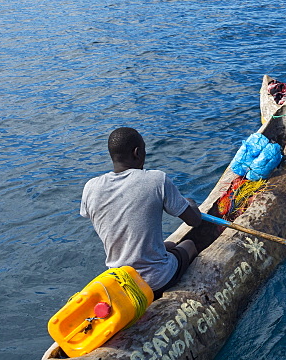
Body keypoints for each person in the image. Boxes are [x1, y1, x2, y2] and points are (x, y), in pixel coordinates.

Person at [80, 127, 210, 298]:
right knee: (189, 245)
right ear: (137, 152)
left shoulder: (91, 187)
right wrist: (190, 203)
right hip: (156, 281)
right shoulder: (156, 179)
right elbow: (194, 220)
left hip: (122, 281)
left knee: (169, 245)